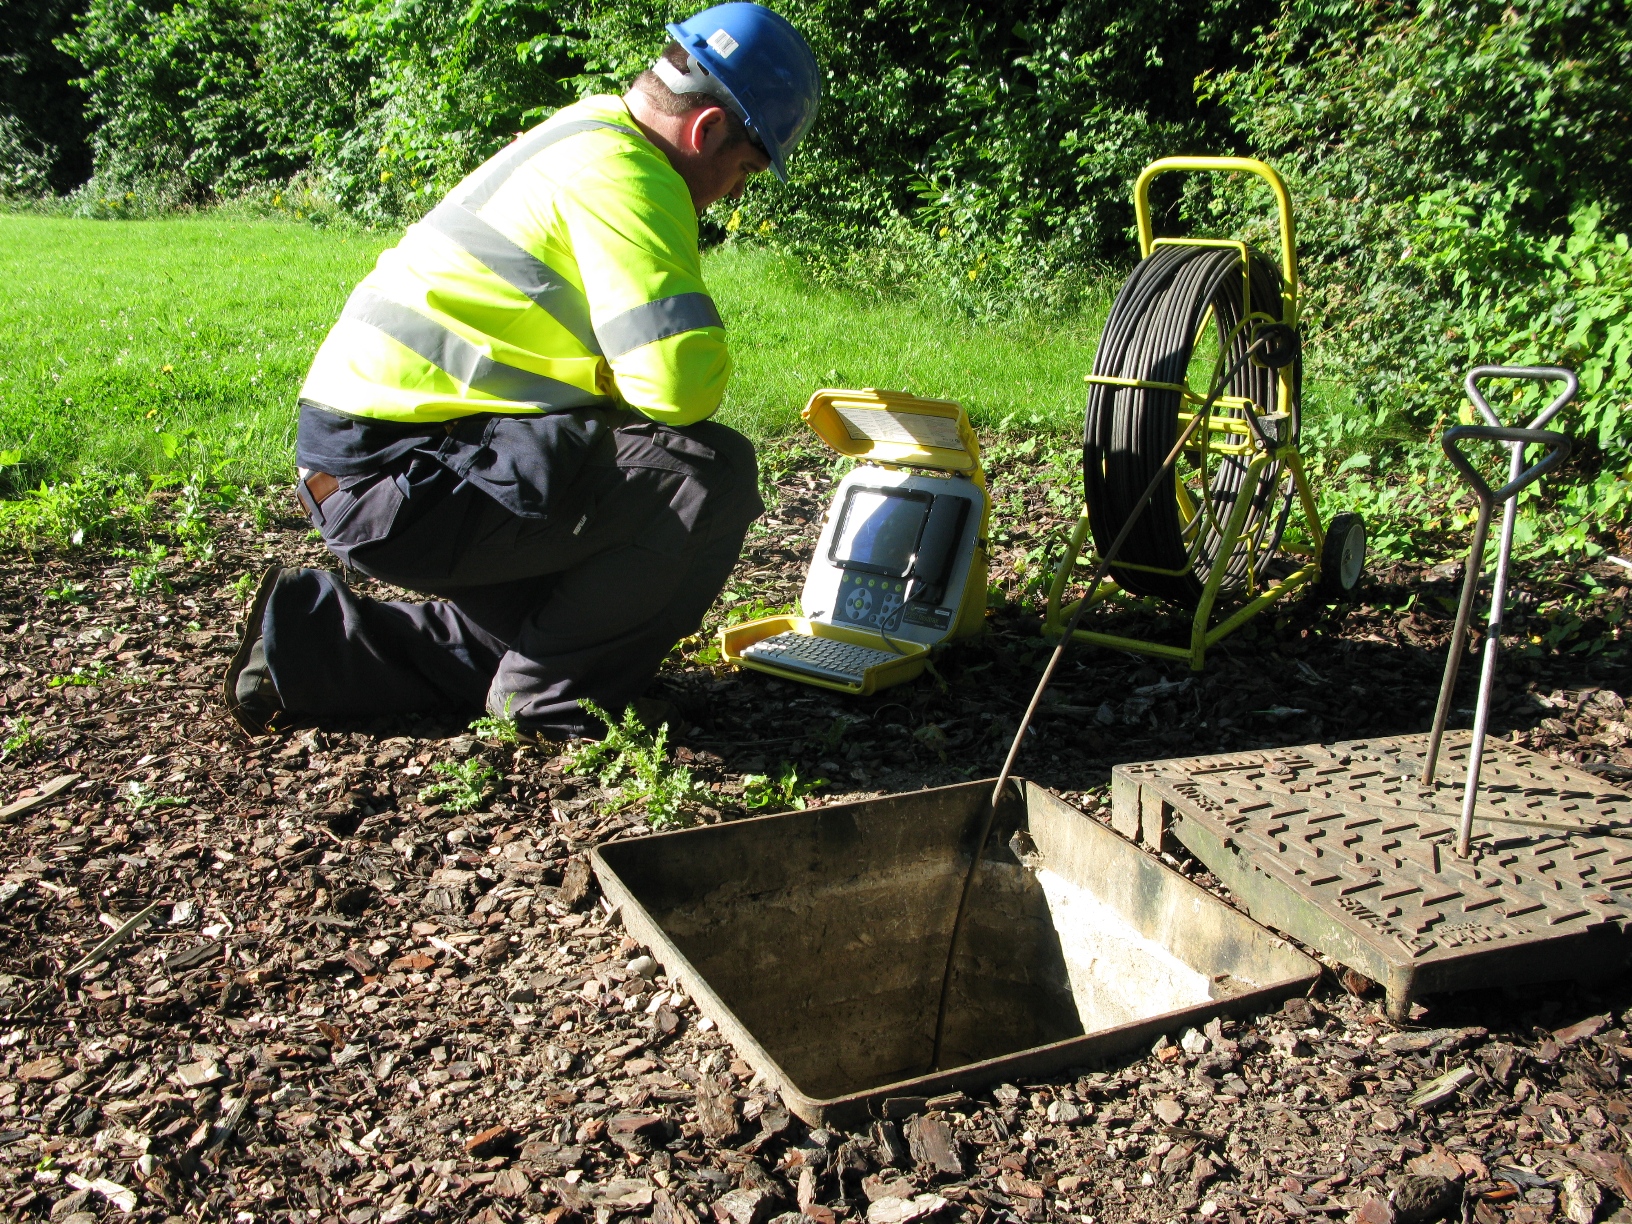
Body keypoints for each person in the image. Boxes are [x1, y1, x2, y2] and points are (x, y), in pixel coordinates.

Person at [222, 3, 820, 740]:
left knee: (555, 630)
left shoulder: (586, 127)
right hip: (406, 478)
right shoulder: (633, 176)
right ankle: (556, 702)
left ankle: (304, 647)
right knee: (710, 474)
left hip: (370, 461)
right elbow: (678, 385)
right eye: (744, 168)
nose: (733, 191)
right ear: (707, 131)